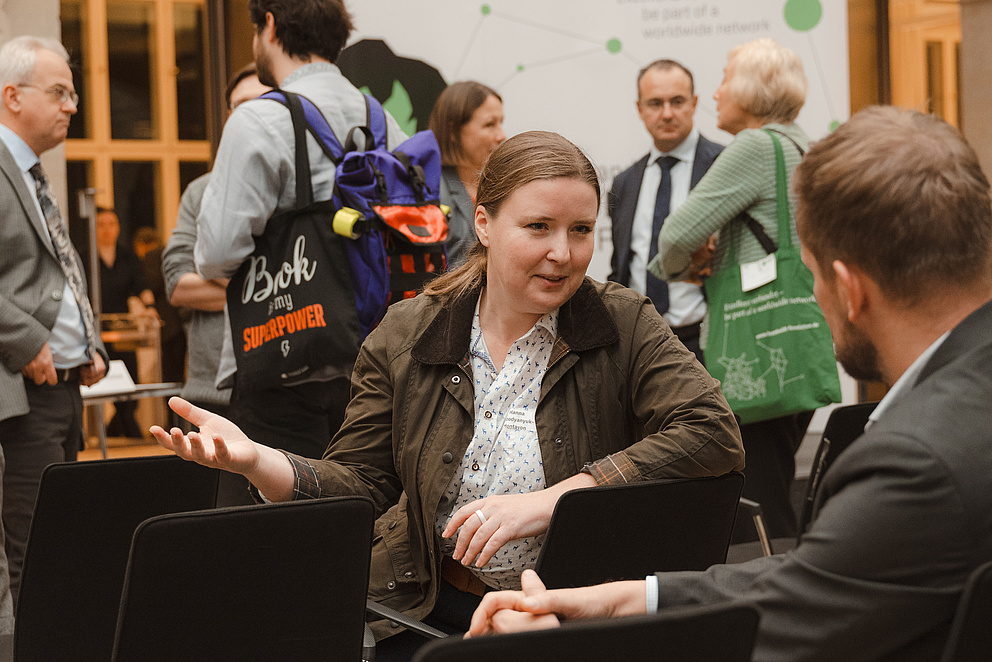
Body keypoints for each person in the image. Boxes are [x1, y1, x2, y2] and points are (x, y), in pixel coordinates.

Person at [152, 131, 744, 658]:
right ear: (484, 224)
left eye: (581, 230)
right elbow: (360, 483)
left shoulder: (621, 319)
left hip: (564, 617)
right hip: (423, 612)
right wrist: (261, 461)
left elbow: (712, 433)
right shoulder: (410, 331)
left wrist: (560, 498)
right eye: (538, 227)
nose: (563, 253)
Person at [467, 106, 992, 662]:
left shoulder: (915, 462)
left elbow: (789, 632)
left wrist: (577, 645)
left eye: (810, 276)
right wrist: (630, 601)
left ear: (849, 289)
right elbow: (822, 579)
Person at [193, 0, 407, 459]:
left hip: (280, 359)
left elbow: (215, 251)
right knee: (363, 512)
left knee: (287, 521)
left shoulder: (257, 118)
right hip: (372, 364)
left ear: (269, 26)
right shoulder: (381, 120)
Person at [649, 38, 824, 542]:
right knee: (773, 481)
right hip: (789, 336)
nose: (718, 92)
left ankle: (770, 597)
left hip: (756, 342)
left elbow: (676, 235)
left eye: (725, 78)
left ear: (749, 89)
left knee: (756, 497)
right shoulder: (797, 143)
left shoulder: (753, 146)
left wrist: (676, 268)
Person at [0, 35, 108, 612]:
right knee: (38, 547)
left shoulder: (32, 173)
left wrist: (88, 343)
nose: (72, 105)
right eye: (60, 92)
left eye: (73, 93)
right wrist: (27, 342)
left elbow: (52, 268)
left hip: (66, 387)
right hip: (25, 391)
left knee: (65, 539)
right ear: (12, 96)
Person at [162, 63, 270, 419]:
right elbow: (179, 285)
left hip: (281, 393)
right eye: (241, 107)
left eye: (264, 102)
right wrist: (275, 292)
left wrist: (216, 284)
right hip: (208, 393)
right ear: (229, 118)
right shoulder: (201, 192)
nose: (252, 115)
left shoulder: (303, 195)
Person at [608, 59, 723, 364]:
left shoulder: (724, 166)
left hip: (710, 339)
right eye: (655, 103)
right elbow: (621, 266)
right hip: (638, 343)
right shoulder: (624, 183)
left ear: (695, 103)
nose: (668, 113)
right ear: (639, 108)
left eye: (677, 101)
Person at [429, 81, 506, 268]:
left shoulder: (505, 185)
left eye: (501, 123)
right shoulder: (431, 190)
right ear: (453, 131)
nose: (501, 135)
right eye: (490, 125)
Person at [96, 207, 156, 438]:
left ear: (118, 227)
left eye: (111, 224)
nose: (107, 230)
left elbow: (141, 285)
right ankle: (128, 432)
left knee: (130, 384)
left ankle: (121, 429)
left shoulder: (127, 257)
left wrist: (149, 307)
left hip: (121, 331)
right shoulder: (85, 256)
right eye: (101, 225)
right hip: (96, 330)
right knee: (103, 383)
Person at [133, 226, 186, 383]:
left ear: (141, 244)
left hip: (166, 322)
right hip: (179, 318)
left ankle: (171, 405)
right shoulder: (169, 255)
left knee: (169, 371)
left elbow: (151, 285)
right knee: (178, 369)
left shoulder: (151, 257)